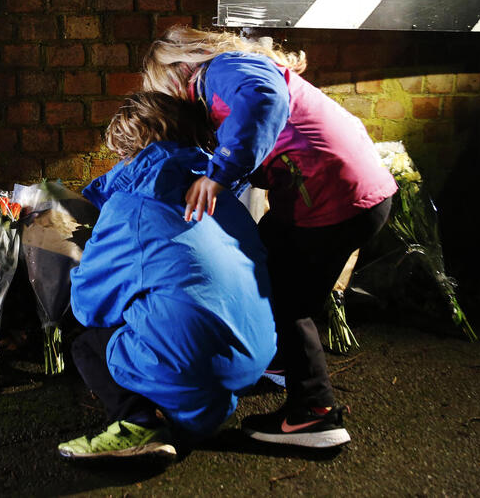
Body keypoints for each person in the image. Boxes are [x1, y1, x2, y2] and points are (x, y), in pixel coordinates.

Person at [142, 25, 397, 449]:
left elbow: (264, 100)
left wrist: (218, 173)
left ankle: (313, 413)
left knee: (286, 297)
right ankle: (280, 362)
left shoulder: (220, 70)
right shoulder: (232, 75)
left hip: (334, 197)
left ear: (177, 69)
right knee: (262, 262)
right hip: (348, 194)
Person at [58, 92, 276, 460]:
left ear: (128, 150)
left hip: (194, 364)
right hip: (255, 358)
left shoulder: (133, 206)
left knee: (86, 340)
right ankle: (191, 410)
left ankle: (135, 425)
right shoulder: (220, 195)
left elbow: (87, 305)